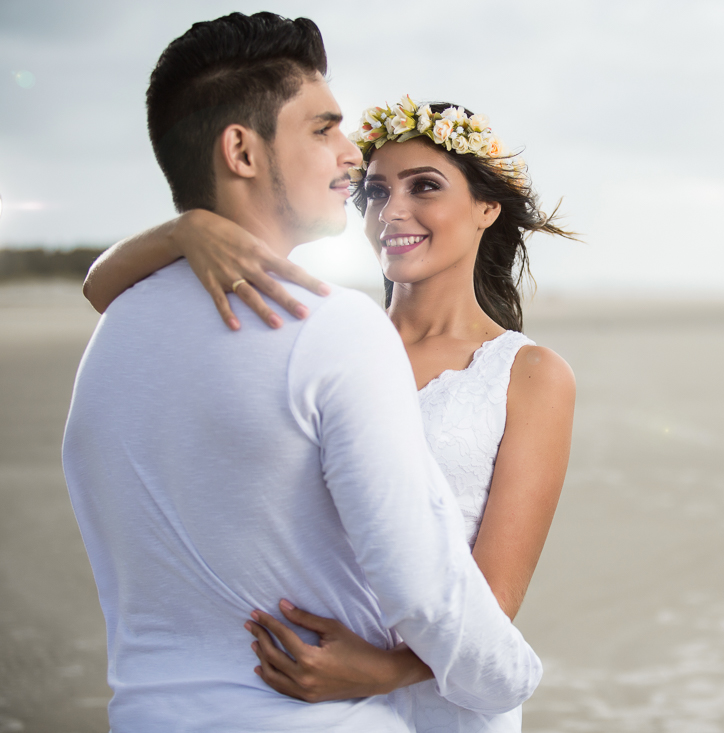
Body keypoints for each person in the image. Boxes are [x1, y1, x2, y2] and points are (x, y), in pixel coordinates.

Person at [64, 13, 543, 732]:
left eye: (424, 186)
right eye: (324, 129)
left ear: (485, 208)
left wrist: (184, 225)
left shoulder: (114, 334)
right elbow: (429, 596)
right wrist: (518, 677)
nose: (348, 158)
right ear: (242, 151)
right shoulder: (337, 332)